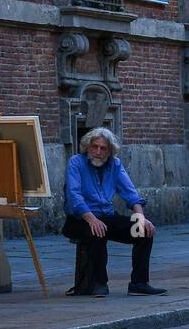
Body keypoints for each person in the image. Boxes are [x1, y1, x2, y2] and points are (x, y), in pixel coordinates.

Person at [62, 127, 165, 296]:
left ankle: (138, 283)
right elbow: (74, 196)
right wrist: (92, 219)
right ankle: (99, 283)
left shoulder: (115, 164)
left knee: (143, 232)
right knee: (97, 231)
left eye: (103, 148)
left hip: (107, 217)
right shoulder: (76, 162)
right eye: (94, 147)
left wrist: (140, 218)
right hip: (79, 220)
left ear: (110, 151)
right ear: (87, 147)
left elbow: (130, 193)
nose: (98, 152)